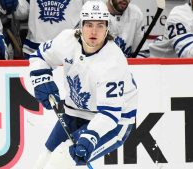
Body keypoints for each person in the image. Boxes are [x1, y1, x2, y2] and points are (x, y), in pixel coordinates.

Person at [28, 1, 138, 168]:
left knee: (60, 161)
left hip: (115, 122)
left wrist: (91, 135)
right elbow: (39, 57)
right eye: (89, 25)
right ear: (81, 25)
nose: (94, 31)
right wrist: (41, 78)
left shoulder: (113, 61)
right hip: (74, 112)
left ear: (107, 27)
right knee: (42, 160)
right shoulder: (67, 40)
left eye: (100, 25)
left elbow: (110, 114)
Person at [0, 0, 90, 59]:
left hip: (73, 50)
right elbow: (25, 10)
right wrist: (14, 5)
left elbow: (95, 9)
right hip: (35, 49)